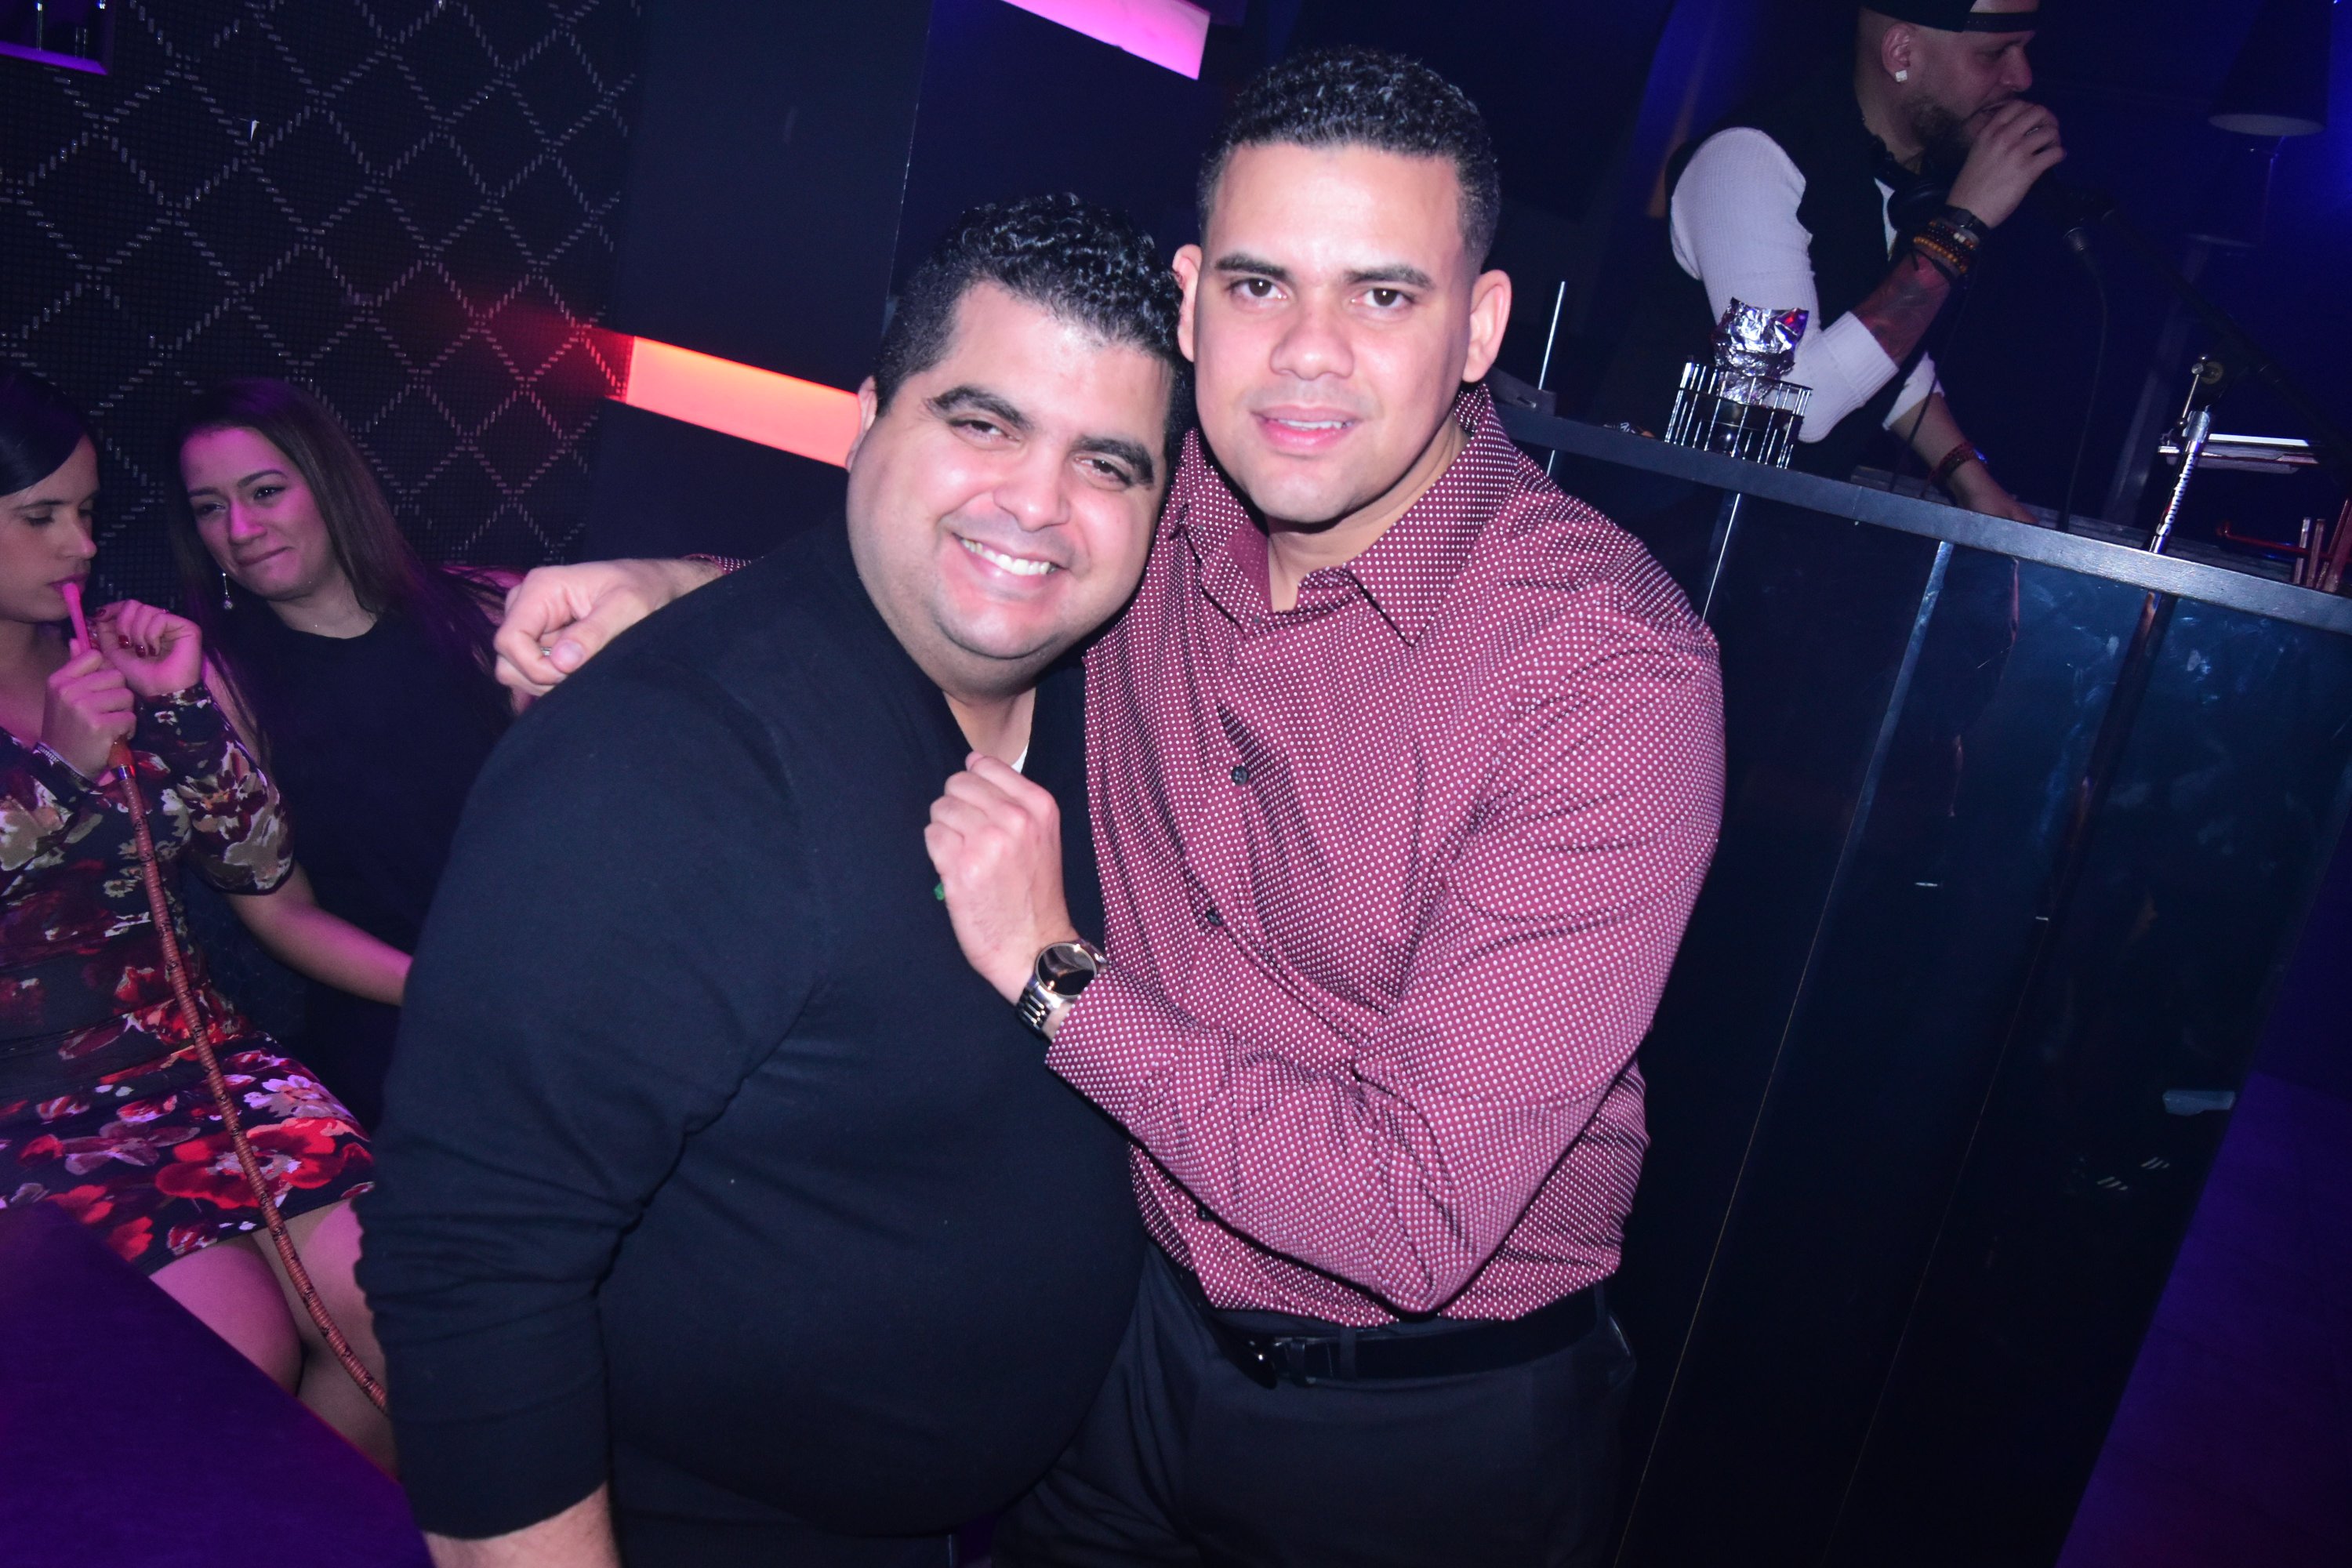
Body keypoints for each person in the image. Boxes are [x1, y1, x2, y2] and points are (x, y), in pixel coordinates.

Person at [499, 50, 1726, 1566]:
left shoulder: (1604, 673)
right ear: (1194, 298)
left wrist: (1054, 976)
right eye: (1264, 287)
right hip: (1123, 1360)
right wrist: (685, 588)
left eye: (1382, 296)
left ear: (1478, 327)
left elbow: (1409, 1213)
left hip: (1419, 1432)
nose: (1310, 357)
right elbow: (973, 567)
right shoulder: (1160, 501)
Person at [356, 194, 1185, 1568]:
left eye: (1107, 462)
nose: (1039, 504)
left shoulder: (1124, 701)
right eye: (983, 423)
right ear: (868, 418)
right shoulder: (664, 759)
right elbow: (473, 1266)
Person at [0, 368, 390, 1467]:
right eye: (42, 517)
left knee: (410, 1313)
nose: (82, 546)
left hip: (204, 1060)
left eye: (87, 513)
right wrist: (61, 776)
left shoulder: (107, 663)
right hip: (35, 1108)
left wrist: (179, 704)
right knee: (227, 1360)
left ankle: (303, 1533)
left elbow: (255, 859)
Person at [165, 378, 517, 1130]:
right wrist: (441, 992)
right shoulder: (217, 685)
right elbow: (280, 913)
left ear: (329, 483)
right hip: (393, 1009)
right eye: (210, 508)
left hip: (553, 970)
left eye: (265, 492)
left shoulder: (487, 609)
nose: (241, 528)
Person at [1594, 0, 2060, 519]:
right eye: (1995, 53)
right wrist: (1960, 230)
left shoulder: (1906, 185)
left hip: (1755, 534)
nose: (2022, 77)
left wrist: (1970, 479)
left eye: (2025, 50)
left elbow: (1882, 352)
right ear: (1902, 51)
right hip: (1644, 528)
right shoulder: (1750, 161)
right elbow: (1790, 402)